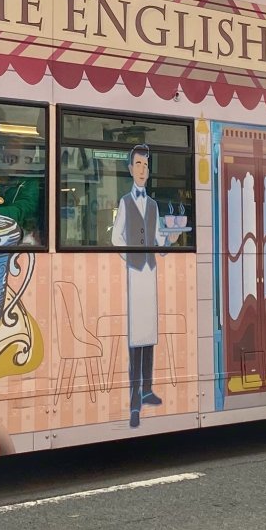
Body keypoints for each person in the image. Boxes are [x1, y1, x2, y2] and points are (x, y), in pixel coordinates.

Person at [109, 143, 163, 427]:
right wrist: (130, 257)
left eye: (146, 165)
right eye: (138, 164)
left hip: (150, 273)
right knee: (136, 337)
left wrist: (170, 242)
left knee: (149, 333)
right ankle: (133, 398)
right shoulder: (125, 202)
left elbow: (158, 240)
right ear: (130, 169)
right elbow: (117, 237)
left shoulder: (153, 205)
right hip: (135, 273)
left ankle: (149, 389)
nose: (143, 170)